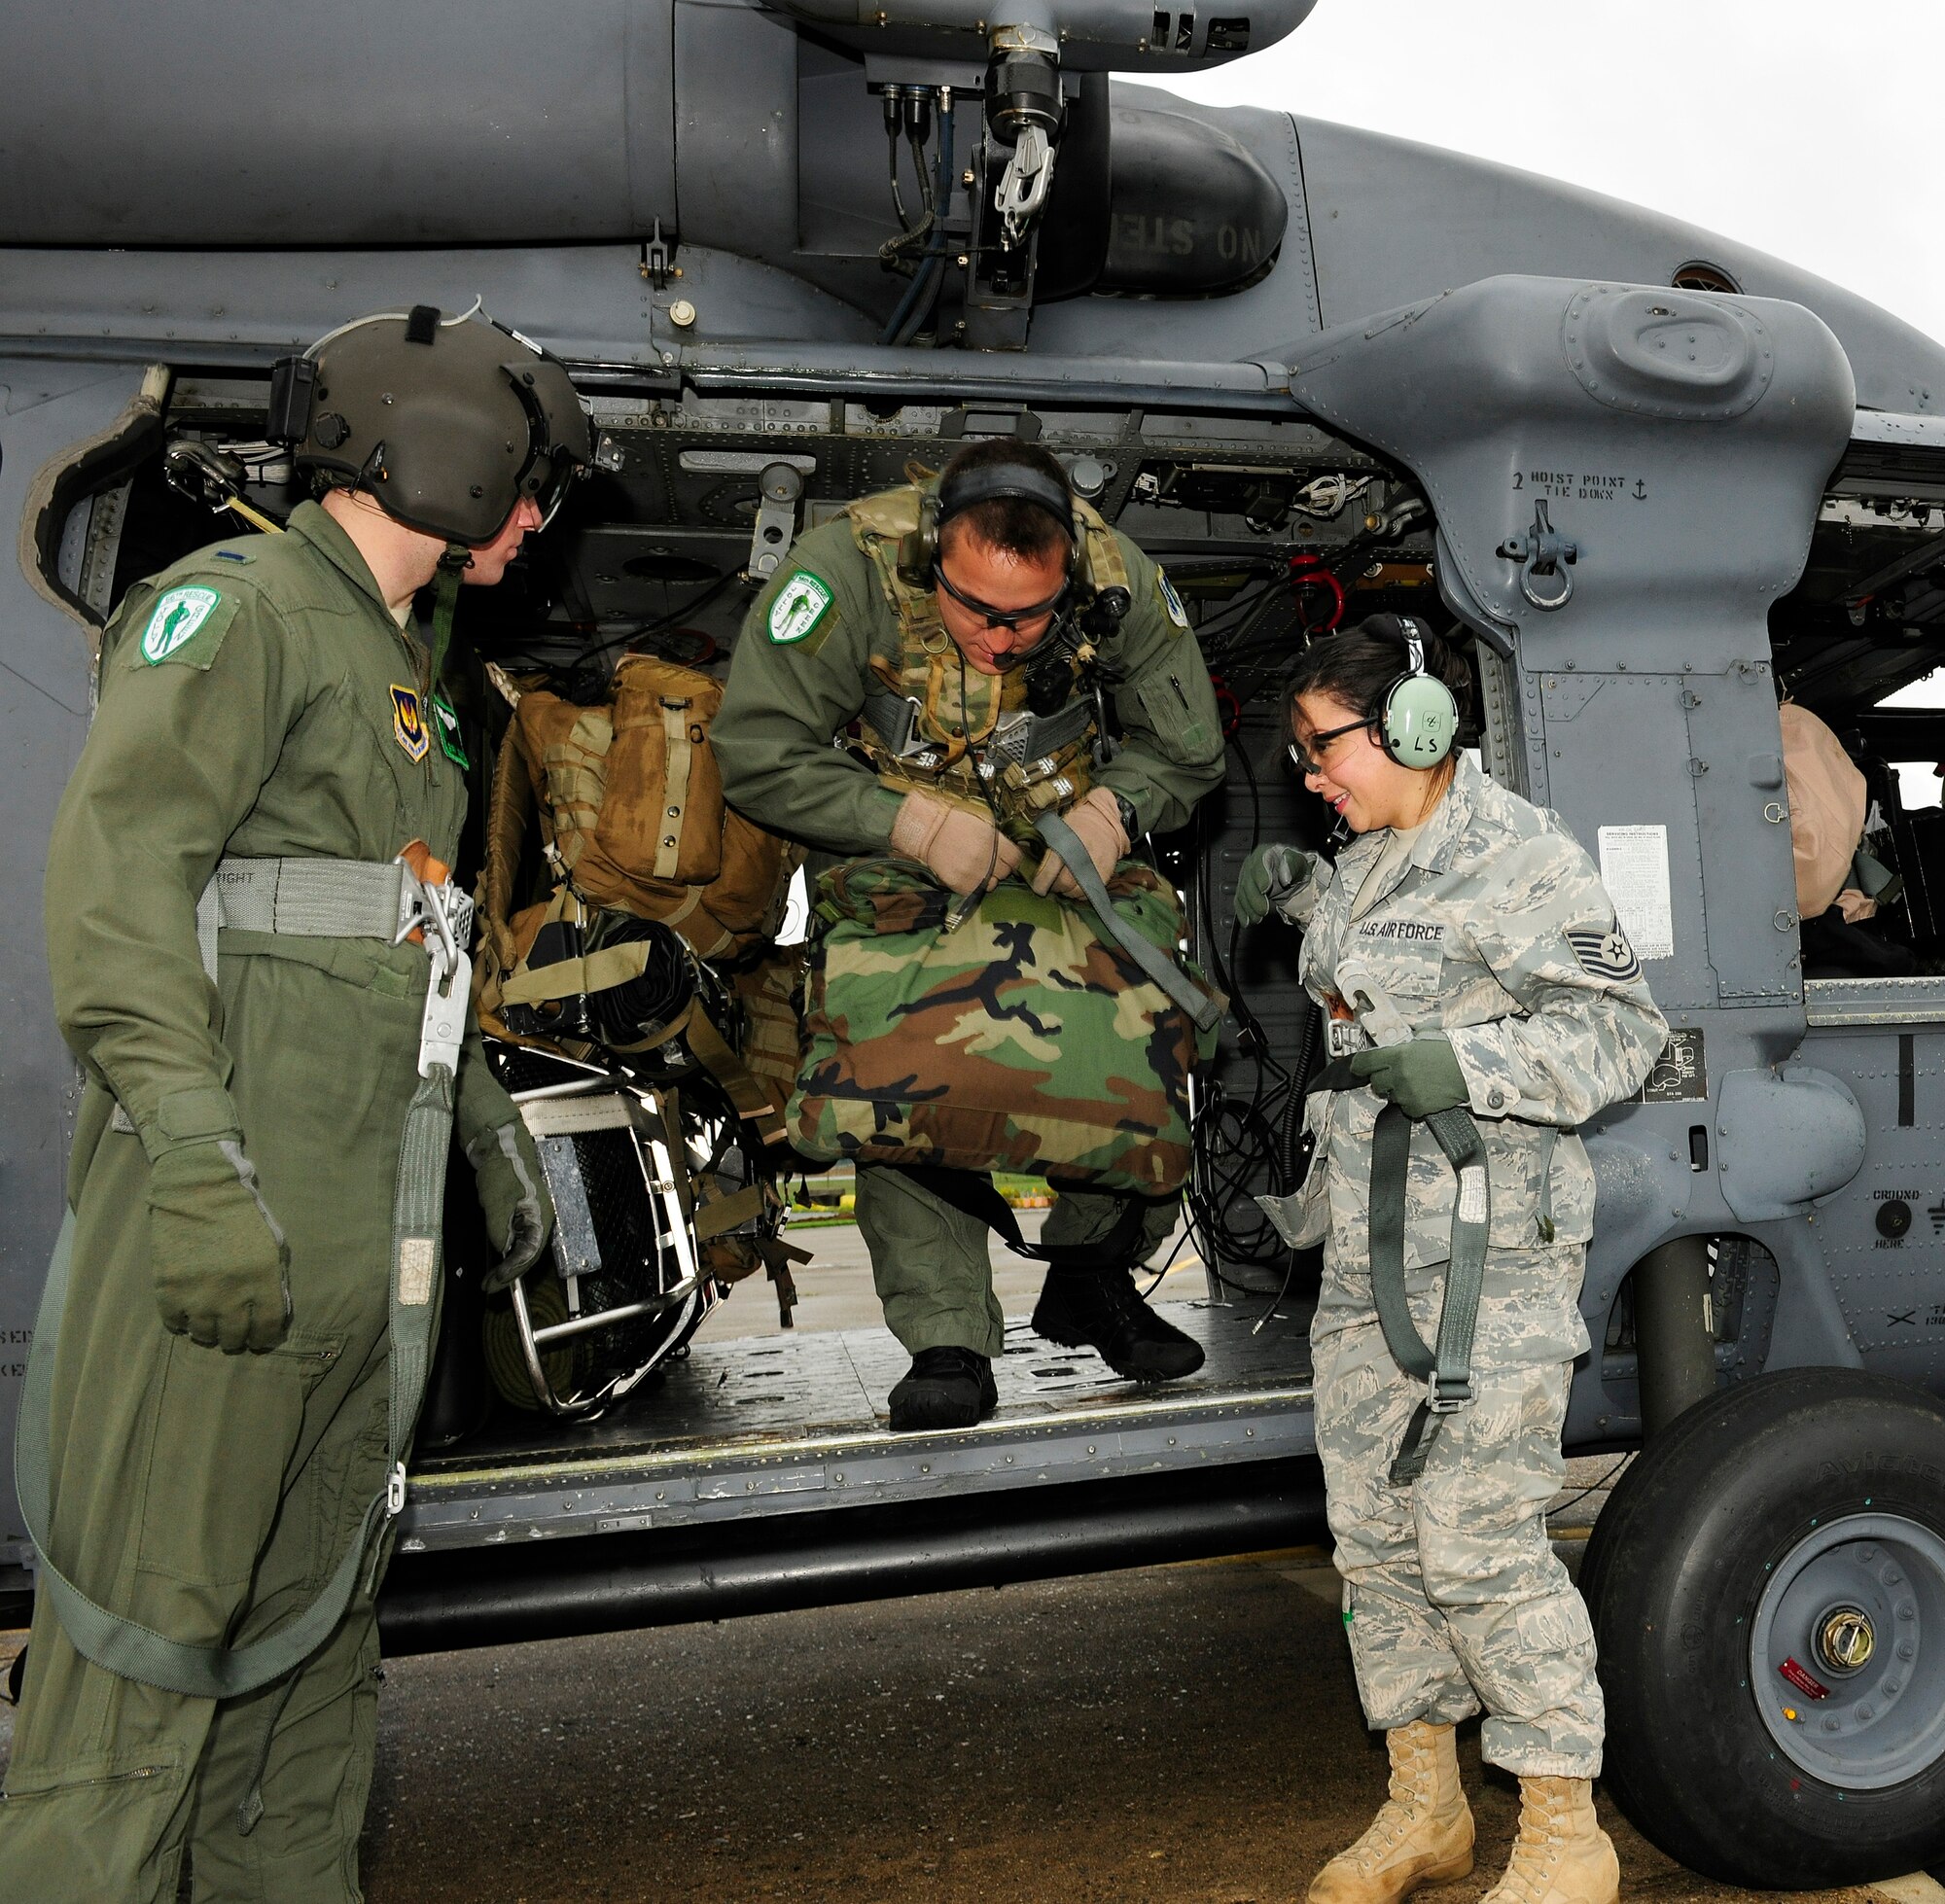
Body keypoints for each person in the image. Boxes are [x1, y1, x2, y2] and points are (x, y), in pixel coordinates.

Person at [0, 304, 588, 1901]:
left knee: (310, 1665)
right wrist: (195, 1161)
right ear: (446, 458)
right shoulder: (240, 615)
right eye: (529, 483)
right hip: (231, 1239)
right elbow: (119, 889)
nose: (539, 521)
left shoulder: (406, 669)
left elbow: (406, 937)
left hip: (353, 1258)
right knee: (143, 1667)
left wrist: (484, 1127)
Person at [1234, 616, 1665, 1904]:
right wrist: (1301, 895)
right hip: (1368, 1253)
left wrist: (1466, 1063)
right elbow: (1382, 979)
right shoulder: (1363, 859)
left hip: (1489, 1265)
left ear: (1411, 725)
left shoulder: (1520, 854)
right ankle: (1426, 1803)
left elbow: (1622, 1036)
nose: (1311, 775)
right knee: (1373, 1539)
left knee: (1479, 1544)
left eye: (1323, 748)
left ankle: (1562, 1832)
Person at [713, 438, 1226, 1429]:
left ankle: (1091, 1272)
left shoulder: (1117, 578)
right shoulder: (846, 569)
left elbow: (1189, 746)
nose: (1000, 639)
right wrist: (907, 823)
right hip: (895, 846)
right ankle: (946, 1334)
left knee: (1143, 1020)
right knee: (901, 1051)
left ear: (1066, 576)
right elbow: (756, 749)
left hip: (1062, 841)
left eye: (1028, 616)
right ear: (930, 558)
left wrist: (1115, 810)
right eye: (976, 609)